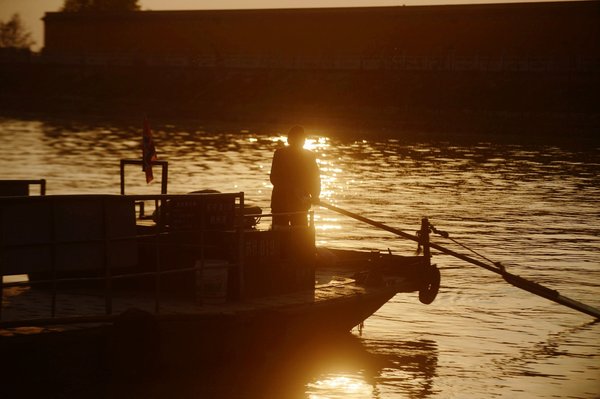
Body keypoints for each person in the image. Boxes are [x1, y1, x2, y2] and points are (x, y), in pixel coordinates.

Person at [270, 125, 321, 227]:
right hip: (281, 204)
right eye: (295, 139)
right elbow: (274, 178)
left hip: (300, 205)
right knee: (280, 234)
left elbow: (315, 179)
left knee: (300, 234)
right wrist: (293, 189)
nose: (297, 142)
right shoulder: (280, 154)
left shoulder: (309, 156)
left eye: (300, 139)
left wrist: (315, 195)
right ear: (290, 140)